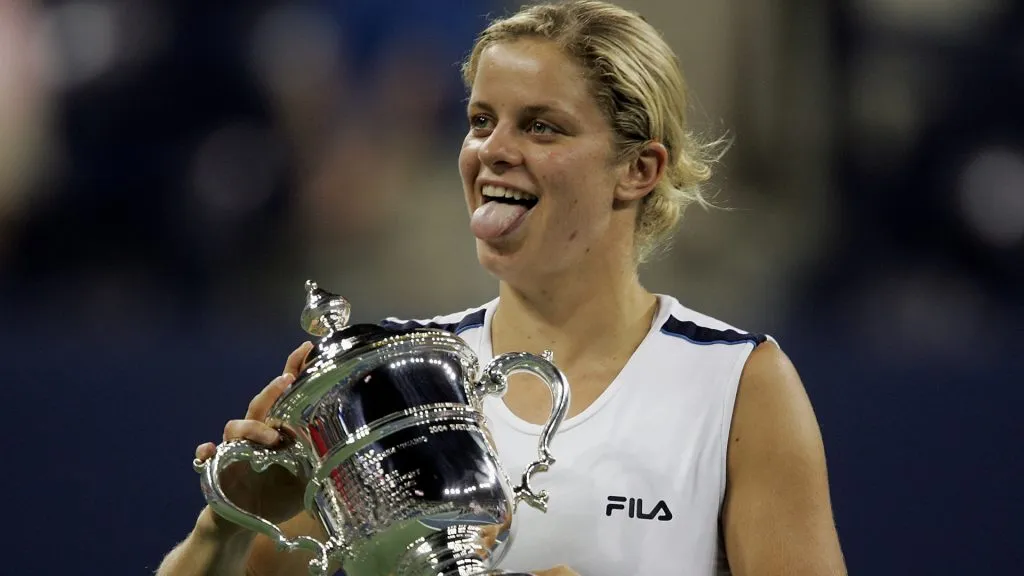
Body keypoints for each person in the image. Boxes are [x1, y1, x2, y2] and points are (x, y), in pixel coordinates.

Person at [157, 1, 847, 575]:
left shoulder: (736, 384)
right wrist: (226, 527)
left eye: (541, 126)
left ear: (639, 170)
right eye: (481, 121)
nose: (492, 150)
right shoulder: (395, 380)